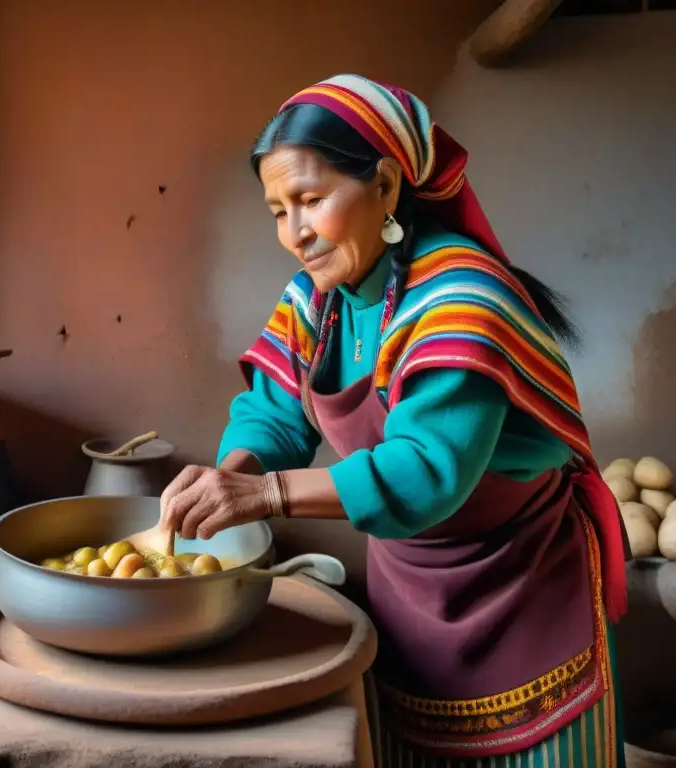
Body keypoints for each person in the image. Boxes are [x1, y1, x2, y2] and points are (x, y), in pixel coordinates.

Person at [159, 74, 628, 767]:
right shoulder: (319, 299)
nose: (295, 234)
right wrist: (229, 476)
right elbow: (274, 413)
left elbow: (425, 471)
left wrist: (264, 496)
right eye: (278, 211)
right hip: (407, 593)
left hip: (519, 593)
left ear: (384, 184)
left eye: (311, 201)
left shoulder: (464, 298)